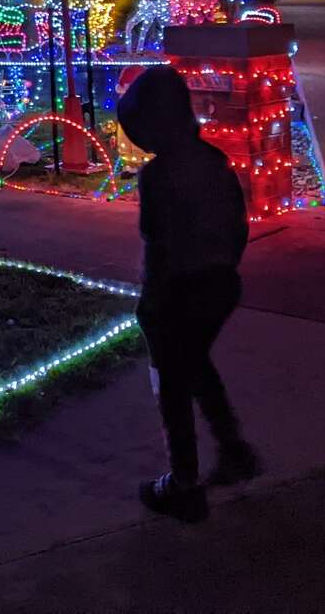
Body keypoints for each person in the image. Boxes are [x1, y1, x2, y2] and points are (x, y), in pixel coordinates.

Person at [116, 64, 259, 522]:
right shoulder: (215, 161)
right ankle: (234, 449)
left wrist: (151, 303)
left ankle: (183, 483)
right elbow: (237, 227)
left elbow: (157, 243)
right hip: (219, 285)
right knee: (197, 367)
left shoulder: (158, 176)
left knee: (173, 385)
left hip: (178, 292)